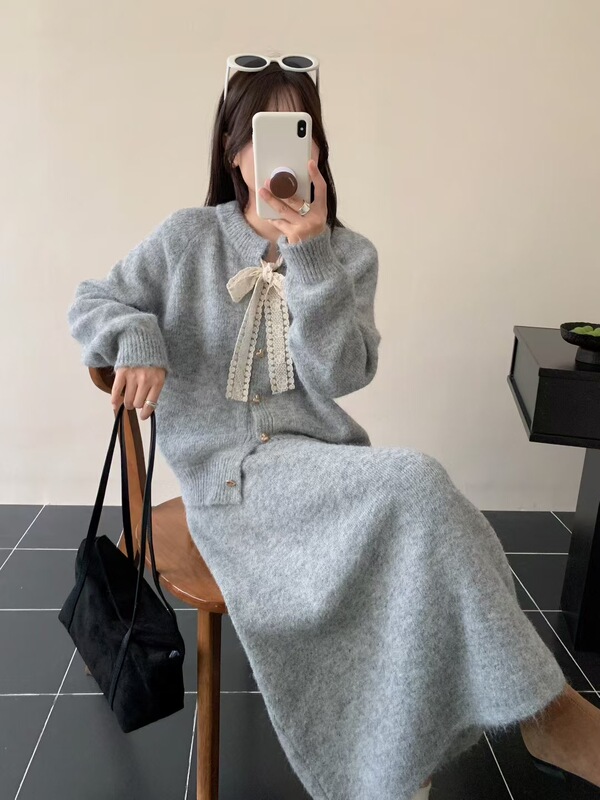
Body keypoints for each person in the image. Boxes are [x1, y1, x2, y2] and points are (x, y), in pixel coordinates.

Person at [66, 54, 600, 800]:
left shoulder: (350, 254)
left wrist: (311, 257)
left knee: (427, 517)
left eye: (301, 131)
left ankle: (421, 748)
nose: (283, 153)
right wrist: (139, 337)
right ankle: (543, 713)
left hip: (317, 466)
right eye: (265, 132)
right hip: (226, 486)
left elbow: (342, 375)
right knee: (421, 490)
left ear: (318, 149)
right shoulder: (188, 237)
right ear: (235, 151)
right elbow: (91, 301)